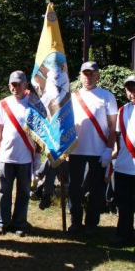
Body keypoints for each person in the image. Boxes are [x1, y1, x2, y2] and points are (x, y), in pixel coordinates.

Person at [68, 61, 117, 237]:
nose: (88, 77)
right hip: (76, 151)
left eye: (91, 74)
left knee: (96, 190)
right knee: (74, 189)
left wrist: (108, 149)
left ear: (97, 75)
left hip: (98, 151)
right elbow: (65, 125)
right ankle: (75, 221)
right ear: (80, 76)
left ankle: (91, 223)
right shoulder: (72, 96)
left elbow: (113, 126)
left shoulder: (107, 96)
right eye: (85, 74)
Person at [0, 71, 41, 237]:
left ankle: (19, 223)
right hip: (6, 156)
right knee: (4, 192)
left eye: (19, 84)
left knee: (23, 192)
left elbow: (40, 132)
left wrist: (38, 156)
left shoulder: (34, 103)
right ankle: (2, 223)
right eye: (13, 84)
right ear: (9, 86)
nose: (16, 87)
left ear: (26, 85)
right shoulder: (4, 103)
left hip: (26, 157)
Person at [109, 75, 135, 248]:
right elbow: (117, 139)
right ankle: (124, 235)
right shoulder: (122, 111)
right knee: (124, 206)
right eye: (129, 89)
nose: (133, 92)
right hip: (124, 167)